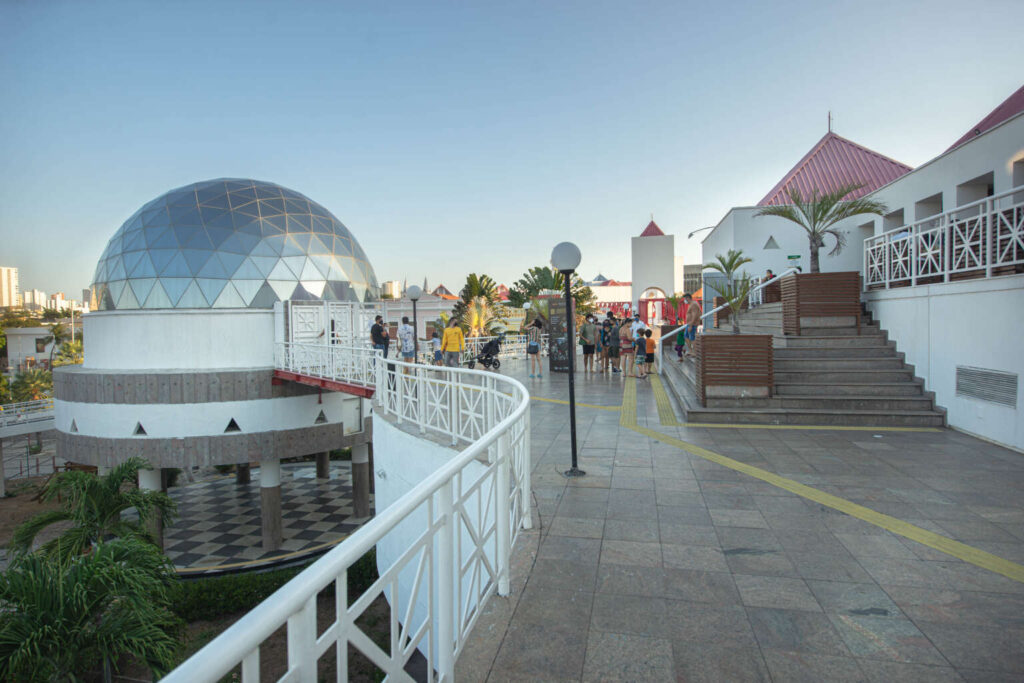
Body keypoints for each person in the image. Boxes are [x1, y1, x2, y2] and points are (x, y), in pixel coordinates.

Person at [683, 293, 701, 358]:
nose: (684, 300)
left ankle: (695, 352)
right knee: (686, 336)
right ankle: (690, 350)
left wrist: (691, 325)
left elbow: (694, 315)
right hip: (689, 324)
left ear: (688, 298)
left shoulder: (694, 304)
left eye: (685, 299)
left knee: (692, 338)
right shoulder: (690, 304)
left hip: (692, 324)